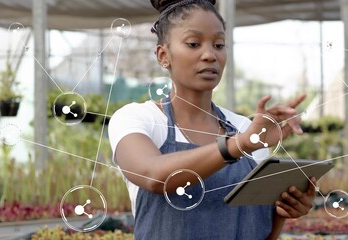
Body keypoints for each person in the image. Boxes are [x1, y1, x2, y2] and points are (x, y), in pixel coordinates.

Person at [108, 0, 317, 239]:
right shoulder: (138, 119)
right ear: (163, 55)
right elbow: (155, 175)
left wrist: (283, 211)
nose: (209, 55)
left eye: (219, 44)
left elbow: (259, 233)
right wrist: (238, 145)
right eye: (193, 44)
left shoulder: (244, 128)